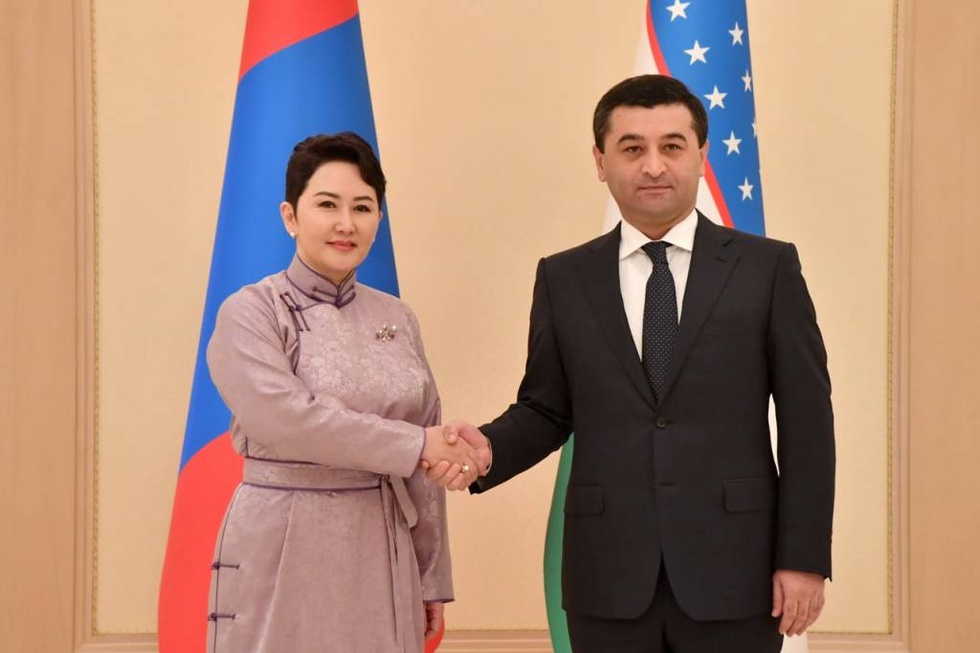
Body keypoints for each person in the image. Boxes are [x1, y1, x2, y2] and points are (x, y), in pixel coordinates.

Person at [427, 75, 835, 652]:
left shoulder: (767, 269)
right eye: (632, 148)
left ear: (701, 155)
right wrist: (487, 448)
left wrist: (803, 558)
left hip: (737, 571)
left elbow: (807, 422)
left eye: (672, 146)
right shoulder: (564, 277)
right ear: (600, 161)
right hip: (607, 574)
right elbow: (547, 408)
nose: (653, 166)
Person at [205, 132, 481, 653]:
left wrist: (430, 576)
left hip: (383, 547)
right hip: (283, 542)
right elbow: (287, 420)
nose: (346, 224)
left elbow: (425, 449)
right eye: (327, 205)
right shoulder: (251, 311)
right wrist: (417, 444)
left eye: (363, 207)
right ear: (290, 216)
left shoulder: (397, 317)